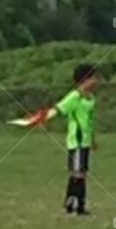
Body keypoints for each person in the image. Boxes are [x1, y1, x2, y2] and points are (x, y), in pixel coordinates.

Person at [46, 64, 99, 216]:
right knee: (78, 173)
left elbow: (90, 121)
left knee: (80, 172)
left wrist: (93, 139)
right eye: (93, 77)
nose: (96, 81)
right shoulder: (75, 96)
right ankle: (78, 205)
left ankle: (70, 203)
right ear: (85, 79)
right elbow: (59, 109)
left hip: (86, 141)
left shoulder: (91, 98)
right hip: (76, 141)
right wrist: (42, 119)